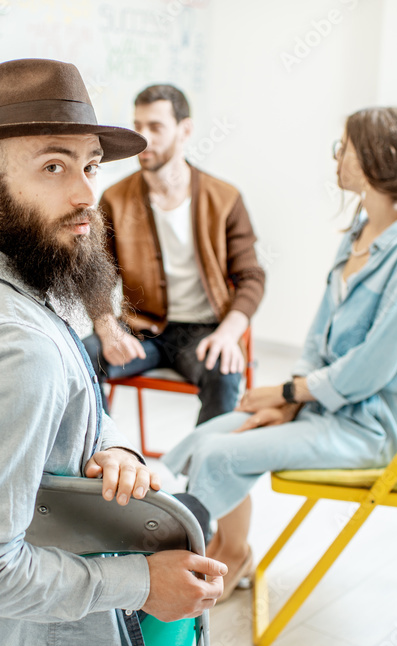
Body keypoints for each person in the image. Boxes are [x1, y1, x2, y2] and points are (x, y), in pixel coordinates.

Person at [0, 59, 226, 646]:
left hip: (10, 620)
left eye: (90, 165)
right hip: (52, 639)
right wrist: (144, 582)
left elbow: (76, 411)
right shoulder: (14, 351)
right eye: (53, 166)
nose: (85, 195)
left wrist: (115, 446)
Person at [162, 107, 397, 601]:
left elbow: (371, 368)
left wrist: (288, 391)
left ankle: (216, 557)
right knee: (206, 437)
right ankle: (225, 547)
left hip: (369, 428)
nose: (336, 157)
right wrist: (290, 400)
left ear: (372, 161)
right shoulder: (362, 231)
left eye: (343, 148)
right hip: (327, 408)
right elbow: (319, 336)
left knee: (220, 451)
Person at [83, 84, 266, 426]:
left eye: (155, 127)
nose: (143, 137)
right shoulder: (116, 199)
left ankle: (201, 472)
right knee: (81, 357)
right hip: (141, 328)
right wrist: (108, 330)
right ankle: (105, 454)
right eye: (138, 125)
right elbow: (95, 275)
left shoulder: (225, 198)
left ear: (185, 130)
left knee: (224, 372)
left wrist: (229, 333)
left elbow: (251, 277)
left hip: (204, 331)